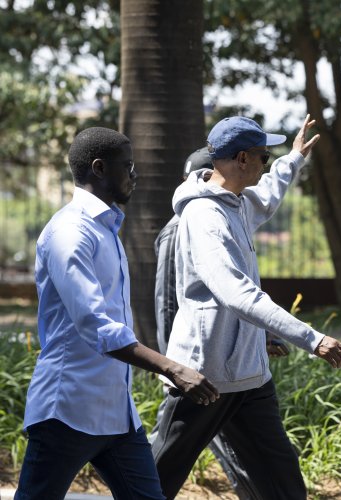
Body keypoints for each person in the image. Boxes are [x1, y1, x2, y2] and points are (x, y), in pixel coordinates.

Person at [151, 115, 341, 500]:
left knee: (282, 482)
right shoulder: (205, 217)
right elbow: (238, 294)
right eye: (264, 155)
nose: (265, 162)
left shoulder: (237, 202)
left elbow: (270, 193)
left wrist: (293, 158)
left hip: (250, 377)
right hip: (205, 377)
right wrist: (312, 340)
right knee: (156, 480)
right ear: (242, 159)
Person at [15, 127, 219, 500]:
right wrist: (171, 368)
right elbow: (97, 326)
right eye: (127, 165)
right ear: (99, 168)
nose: (134, 174)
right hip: (68, 409)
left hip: (117, 415)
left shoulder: (105, 228)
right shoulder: (70, 233)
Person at [152, 146, 287, 499]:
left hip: (238, 370)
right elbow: (169, 307)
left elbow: (237, 289)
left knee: (261, 466)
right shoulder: (183, 226)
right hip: (201, 371)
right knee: (164, 468)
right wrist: (173, 369)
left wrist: (259, 336)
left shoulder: (229, 214)